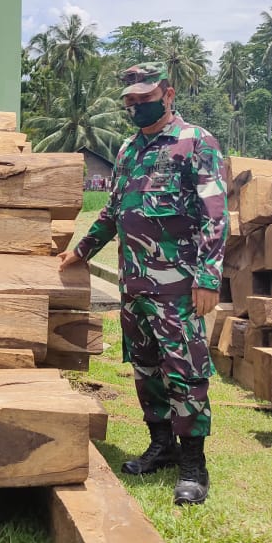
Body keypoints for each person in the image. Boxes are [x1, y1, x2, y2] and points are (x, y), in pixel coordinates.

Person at [59, 62, 227, 505]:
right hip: (134, 284)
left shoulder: (196, 143)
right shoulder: (129, 149)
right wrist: (81, 251)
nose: (136, 106)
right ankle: (161, 446)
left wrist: (208, 278)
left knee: (185, 372)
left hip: (179, 286)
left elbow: (216, 216)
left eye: (144, 98)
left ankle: (193, 465)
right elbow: (114, 212)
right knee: (146, 367)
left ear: (167, 94)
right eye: (129, 101)